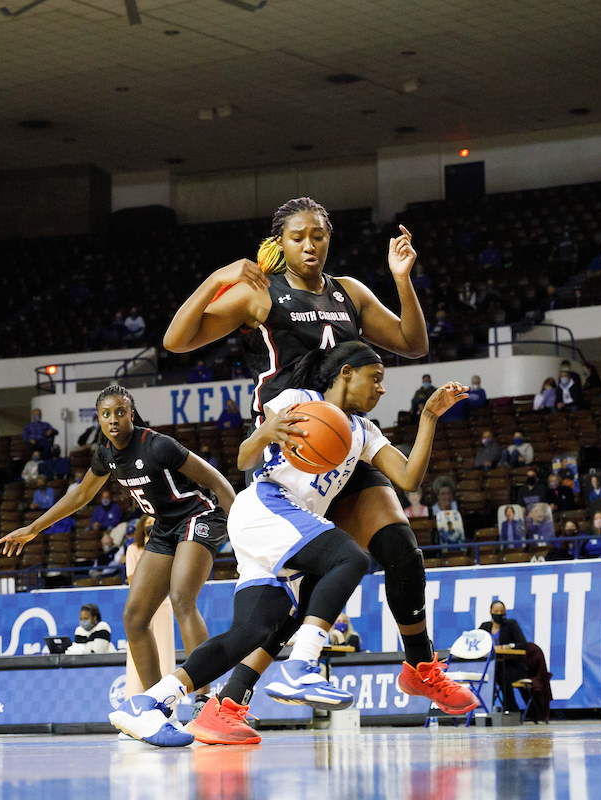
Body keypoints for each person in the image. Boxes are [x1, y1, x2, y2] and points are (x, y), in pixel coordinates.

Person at [164, 200, 464, 728]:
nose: (310, 244)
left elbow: (414, 344)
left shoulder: (349, 292)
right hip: (292, 444)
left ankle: (420, 665)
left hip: (342, 438)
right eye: (299, 236)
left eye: (319, 236)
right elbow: (176, 339)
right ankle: (228, 703)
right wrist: (217, 278)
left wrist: (402, 278)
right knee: (300, 594)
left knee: (400, 548)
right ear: (279, 243)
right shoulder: (259, 294)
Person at [109, 343, 474, 747]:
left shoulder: (365, 432)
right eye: (376, 378)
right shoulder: (298, 400)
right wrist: (264, 431)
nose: (381, 390)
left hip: (280, 527)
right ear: (346, 373)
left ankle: (148, 703)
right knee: (350, 557)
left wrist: (428, 417)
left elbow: (407, 479)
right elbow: (246, 459)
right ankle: (301, 665)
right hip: (267, 505)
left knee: (251, 631)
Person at [0, 384, 237, 723]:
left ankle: (204, 698)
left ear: (131, 413)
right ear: (99, 419)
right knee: (134, 618)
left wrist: (242, 538)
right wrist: (34, 528)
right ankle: (158, 706)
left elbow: (218, 482)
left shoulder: (158, 445)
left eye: (120, 412)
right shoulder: (106, 454)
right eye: (106, 414)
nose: (113, 420)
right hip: (163, 528)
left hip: (198, 516)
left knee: (183, 598)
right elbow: (81, 495)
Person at [121, 517, 177, 695]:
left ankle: (167, 704)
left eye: (153, 522)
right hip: (140, 602)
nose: (150, 526)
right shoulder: (133, 549)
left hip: (163, 604)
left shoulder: (169, 546)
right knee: (137, 653)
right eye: (146, 524)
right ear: (140, 528)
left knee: (165, 652)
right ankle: (136, 700)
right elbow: (131, 579)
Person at [479, 601, 529, 712]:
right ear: (490, 612)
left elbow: (523, 644)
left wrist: (507, 647)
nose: (499, 614)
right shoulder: (485, 627)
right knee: (491, 675)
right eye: (496, 611)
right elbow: (477, 642)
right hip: (494, 666)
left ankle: (511, 710)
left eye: (502, 611)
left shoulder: (511, 625)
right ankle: (481, 710)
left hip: (515, 666)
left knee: (503, 675)